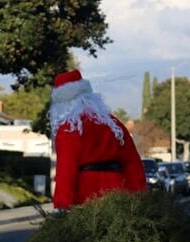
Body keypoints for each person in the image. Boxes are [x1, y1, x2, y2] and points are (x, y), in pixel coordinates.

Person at [50, 69, 147, 210]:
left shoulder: (69, 128)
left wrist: (62, 203)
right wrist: (140, 195)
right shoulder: (112, 123)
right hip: (119, 192)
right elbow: (132, 162)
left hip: (87, 196)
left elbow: (66, 169)